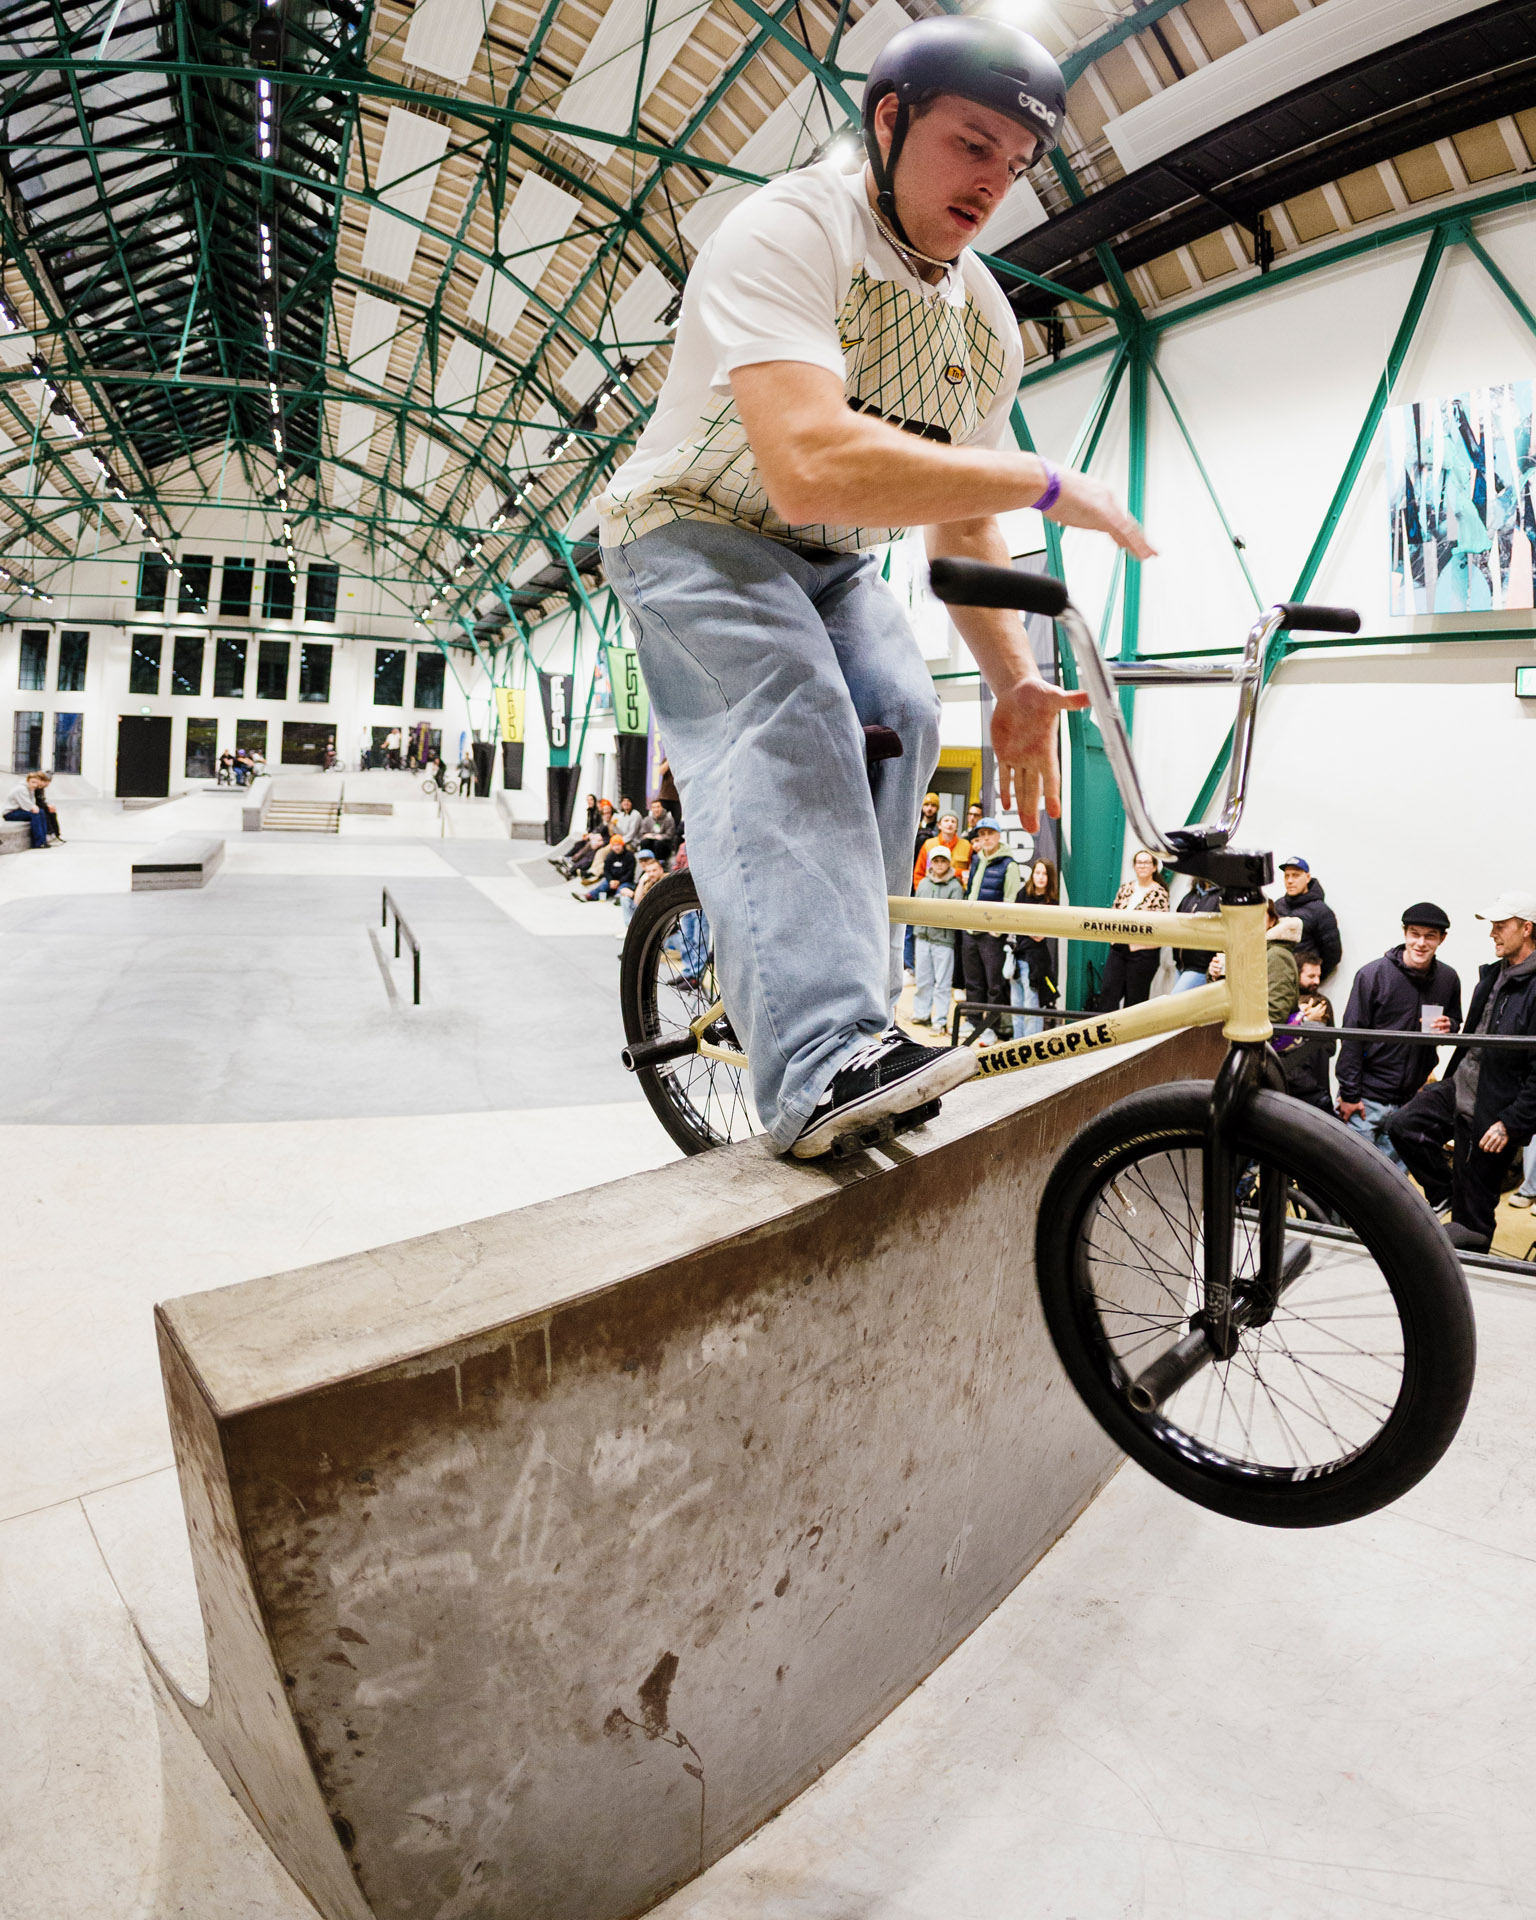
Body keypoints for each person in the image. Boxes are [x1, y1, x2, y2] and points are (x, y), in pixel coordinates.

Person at [598, 13, 1148, 1156]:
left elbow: (959, 521)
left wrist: (1010, 685)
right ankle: (810, 1064)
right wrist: (1043, 477)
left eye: (1017, 161)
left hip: (833, 560)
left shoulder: (982, 320)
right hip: (689, 528)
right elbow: (806, 464)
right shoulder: (793, 228)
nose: (993, 181)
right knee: (792, 706)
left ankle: (853, 1015)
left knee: (901, 710)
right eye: (971, 143)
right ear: (890, 122)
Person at [1387, 891, 1536, 1251]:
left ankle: (1472, 1283)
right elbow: (1478, 1036)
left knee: (1474, 1218)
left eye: (1501, 926)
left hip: (1493, 1112)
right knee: (1403, 1126)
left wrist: (1512, 1123)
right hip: (1460, 1087)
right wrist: (1451, 1052)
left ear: (1527, 928)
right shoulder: (1494, 976)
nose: (1492, 934)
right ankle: (1445, 1194)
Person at [1335, 903, 1462, 1165]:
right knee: (1352, 1182)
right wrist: (1349, 1095)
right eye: (1415, 934)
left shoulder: (1448, 979)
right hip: (1365, 1101)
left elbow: (1455, 1022)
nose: (1421, 943)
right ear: (1404, 933)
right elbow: (1351, 1036)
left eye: (1430, 936)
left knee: (1392, 1191)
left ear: (1442, 939)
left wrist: (1449, 1024)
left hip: (1410, 1102)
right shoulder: (1373, 975)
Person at [958, 817, 1020, 1046]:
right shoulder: (976, 859)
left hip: (991, 935)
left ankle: (991, 1028)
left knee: (995, 985)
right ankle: (973, 1021)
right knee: (973, 981)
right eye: (981, 834)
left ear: (998, 835)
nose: (985, 838)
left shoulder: (1009, 864)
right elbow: (971, 890)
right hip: (970, 930)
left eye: (989, 834)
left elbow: (1010, 900)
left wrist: (998, 930)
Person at [1095, 849, 1169, 1011]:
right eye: (1139, 862)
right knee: (1108, 993)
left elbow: (1159, 926)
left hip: (1143, 952)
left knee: (1135, 1000)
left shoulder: (1160, 893)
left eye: (1147, 862)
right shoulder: (1126, 888)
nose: (1142, 866)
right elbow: (1113, 914)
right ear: (1134, 866)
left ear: (1154, 867)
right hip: (1119, 948)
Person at [910, 843, 964, 1029]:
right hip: (923, 937)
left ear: (949, 863)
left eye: (943, 861)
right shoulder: (923, 883)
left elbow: (956, 914)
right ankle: (921, 1013)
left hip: (943, 940)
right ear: (931, 863)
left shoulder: (955, 886)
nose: (939, 864)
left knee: (942, 983)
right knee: (923, 979)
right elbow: (916, 908)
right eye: (936, 860)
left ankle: (939, 1020)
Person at [1008, 856, 1058, 1038]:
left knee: (1032, 1007)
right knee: (1016, 1006)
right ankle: (1016, 1042)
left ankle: (1030, 1045)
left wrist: (1026, 927)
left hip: (1036, 960)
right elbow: (1015, 921)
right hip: (1017, 957)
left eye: (1044, 873)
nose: (1040, 877)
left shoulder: (1051, 902)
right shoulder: (1023, 894)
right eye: (1037, 872)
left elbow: (1039, 935)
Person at [1274, 983, 1337, 1114]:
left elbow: (1331, 1047)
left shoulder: (1319, 1046)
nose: (1317, 980)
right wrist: (1306, 1022)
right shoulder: (1290, 1049)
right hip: (1309, 1100)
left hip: (1312, 1099)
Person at [1277, 857, 1341, 977]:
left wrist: (1311, 977)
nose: (1290, 881)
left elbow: (1332, 953)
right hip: (1279, 978)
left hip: (1303, 986)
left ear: (1307, 878)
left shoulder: (1321, 911)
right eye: (1286, 876)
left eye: (1295, 875)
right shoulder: (1278, 905)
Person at [1171, 876, 1221, 992]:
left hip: (1201, 967)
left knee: (1174, 1006)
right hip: (1181, 965)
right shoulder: (1191, 896)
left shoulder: (1223, 898)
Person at [1266, 898, 1302, 1025]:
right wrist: (1216, 975)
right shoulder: (1247, 951)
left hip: (1257, 1037)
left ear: (1271, 921)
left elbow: (1276, 1011)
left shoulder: (1277, 955)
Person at [4, 771, 61, 848]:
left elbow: (32, 804)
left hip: (20, 811)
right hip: (10, 813)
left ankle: (43, 840)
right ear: (28, 781)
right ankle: (38, 842)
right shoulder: (21, 789)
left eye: (36, 783)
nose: (34, 785)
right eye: (32, 782)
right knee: (36, 814)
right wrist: (33, 808)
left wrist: (35, 808)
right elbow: (27, 806)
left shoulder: (30, 789)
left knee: (41, 812)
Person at [914, 811, 971, 888]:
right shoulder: (929, 844)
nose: (950, 824)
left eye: (953, 821)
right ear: (939, 825)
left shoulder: (967, 846)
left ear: (957, 826)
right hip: (931, 892)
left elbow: (971, 872)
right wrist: (921, 891)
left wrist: (957, 872)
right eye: (946, 820)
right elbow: (919, 872)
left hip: (957, 894)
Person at [575, 833, 635, 903]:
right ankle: (588, 896)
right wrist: (611, 880)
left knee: (623, 888)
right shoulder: (610, 856)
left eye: (618, 845)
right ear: (611, 847)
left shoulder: (629, 856)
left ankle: (618, 898)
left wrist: (619, 881)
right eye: (614, 845)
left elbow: (630, 873)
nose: (616, 847)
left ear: (622, 845)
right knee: (603, 886)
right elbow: (606, 870)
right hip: (612, 881)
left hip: (625, 881)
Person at [621, 846, 667, 925]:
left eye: (646, 860)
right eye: (641, 861)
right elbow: (637, 902)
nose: (643, 863)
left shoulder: (666, 878)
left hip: (661, 915)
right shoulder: (646, 877)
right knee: (625, 898)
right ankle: (629, 928)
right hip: (647, 911)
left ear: (660, 869)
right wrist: (641, 882)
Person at [639, 797, 677, 866]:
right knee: (644, 842)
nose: (656, 809)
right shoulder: (647, 819)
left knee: (658, 843)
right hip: (651, 842)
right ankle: (645, 862)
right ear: (651, 809)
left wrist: (660, 836)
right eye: (654, 807)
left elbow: (670, 835)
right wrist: (652, 836)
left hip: (664, 844)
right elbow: (643, 833)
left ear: (662, 808)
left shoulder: (669, 819)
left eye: (658, 807)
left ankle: (659, 864)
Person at [913, 792, 940, 865]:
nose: (929, 808)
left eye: (933, 805)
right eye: (926, 805)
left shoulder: (939, 828)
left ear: (937, 808)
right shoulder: (915, 826)